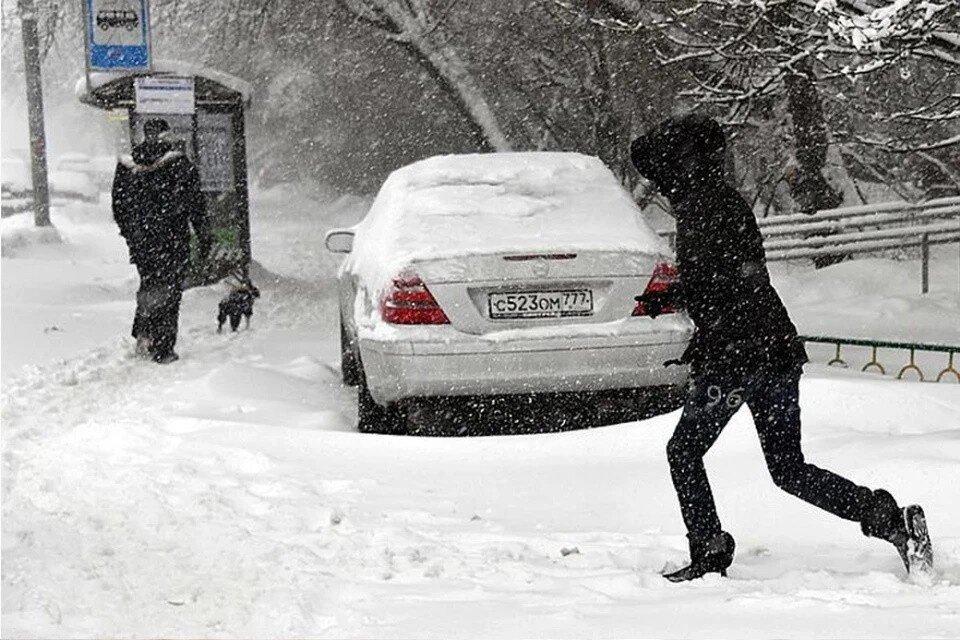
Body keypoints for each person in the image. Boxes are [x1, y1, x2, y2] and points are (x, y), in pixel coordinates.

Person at [630, 114, 932, 582]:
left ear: (684, 165)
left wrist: (677, 297)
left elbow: (722, 285)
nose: (662, 183)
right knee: (789, 469)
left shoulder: (702, 208)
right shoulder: (721, 201)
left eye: (666, 170)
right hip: (773, 349)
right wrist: (676, 295)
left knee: (683, 452)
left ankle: (709, 549)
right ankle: (889, 520)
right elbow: (734, 278)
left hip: (738, 356)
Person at [112, 119, 211, 364]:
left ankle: (144, 334)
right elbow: (196, 204)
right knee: (170, 290)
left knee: (149, 284)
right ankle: (163, 347)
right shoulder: (180, 164)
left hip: (143, 242)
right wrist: (203, 236)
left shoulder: (127, 166)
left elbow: (118, 205)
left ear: (145, 135)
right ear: (166, 135)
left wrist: (131, 234)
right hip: (173, 239)